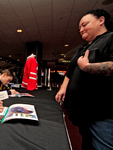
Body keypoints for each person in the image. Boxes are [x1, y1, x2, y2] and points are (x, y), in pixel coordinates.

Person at [55, 9, 113, 149]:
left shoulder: (110, 38)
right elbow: (71, 70)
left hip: (100, 113)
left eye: (84, 24)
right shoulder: (83, 47)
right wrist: (63, 88)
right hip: (82, 112)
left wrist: (87, 66)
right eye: (79, 27)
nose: (81, 29)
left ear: (101, 20)